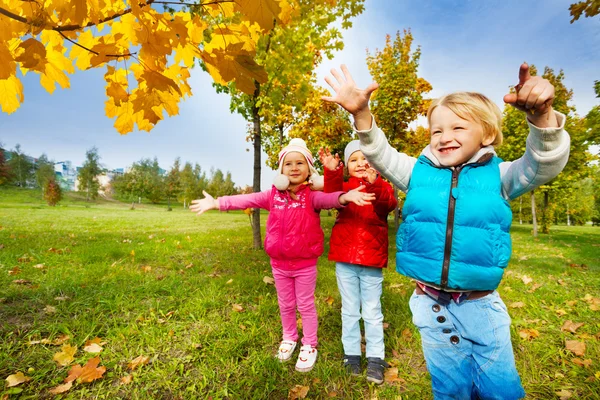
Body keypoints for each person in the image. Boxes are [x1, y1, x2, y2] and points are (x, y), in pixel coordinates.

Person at [322, 64, 570, 398]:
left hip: (481, 307)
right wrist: (363, 115)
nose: (444, 136)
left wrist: (542, 119)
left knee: (502, 391)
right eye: (436, 130)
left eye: (457, 127)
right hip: (431, 306)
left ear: (486, 134)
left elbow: (543, 163)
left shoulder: (501, 176)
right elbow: (380, 154)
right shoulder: (417, 173)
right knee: (449, 390)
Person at [190, 138, 375, 373]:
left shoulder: (311, 197)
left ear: (309, 169)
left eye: (300, 163)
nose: (294, 167)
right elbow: (246, 200)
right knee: (286, 304)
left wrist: (344, 197)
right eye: (289, 164)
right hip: (278, 265)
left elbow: (329, 198)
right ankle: (289, 337)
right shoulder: (272, 196)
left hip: (305, 265)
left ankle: (309, 344)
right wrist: (217, 202)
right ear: (281, 170)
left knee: (305, 305)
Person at [318, 141, 397, 384]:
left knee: (372, 311)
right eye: (354, 160)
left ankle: (375, 357)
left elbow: (388, 205)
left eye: (366, 158)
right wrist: (331, 171)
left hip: (371, 259)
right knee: (350, 310)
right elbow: (331, 195)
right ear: (347, 167)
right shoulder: (344, 186)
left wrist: (376, 183)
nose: (361, 163)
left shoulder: (382, 186)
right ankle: (351, 354)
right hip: (345, 259)